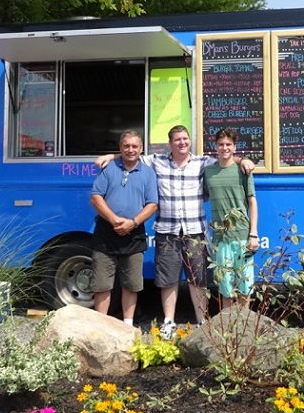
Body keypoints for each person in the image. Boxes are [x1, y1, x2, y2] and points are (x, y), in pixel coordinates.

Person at [96, 126, 253, 338]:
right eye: (177, 140)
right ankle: (169, 321)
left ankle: (201, 321)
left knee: (198, 279)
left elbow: (226, 157)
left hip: (195, 230)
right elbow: (132, 153)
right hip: (167, 230)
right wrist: (111, 156)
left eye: (185, 139)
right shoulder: (157, 161)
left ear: (190, 141)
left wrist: (243, 160)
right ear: (170, 144)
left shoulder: (202, 163)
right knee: (168, 279)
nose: (182, 143)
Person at [89, 130, 158, 325]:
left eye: (135, 146)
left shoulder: (148, 173)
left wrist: (133, 222)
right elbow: (95, 197)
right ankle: (101, 325)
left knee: (132, 284)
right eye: (126, 146)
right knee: (102, 284)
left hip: (134, 233)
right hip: (106, 232)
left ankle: (128, 324)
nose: (130, 150)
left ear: (141, 149)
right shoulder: (109, 168)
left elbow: (152, 204)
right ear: (120, 148)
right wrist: (113, 220)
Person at [204, 128, 259, 309]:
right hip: (220, 238)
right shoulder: (208, 172)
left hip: (242, 235)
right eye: (221, 144)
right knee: (225, 286)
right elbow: (203, 196)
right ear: (215, 146)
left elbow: (252, 202)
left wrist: (253, 234)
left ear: (235, 147)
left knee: (245, 285)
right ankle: (228, 322)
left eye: (228, 144)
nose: (224, 148)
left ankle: (244, 323)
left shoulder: (243, 170)